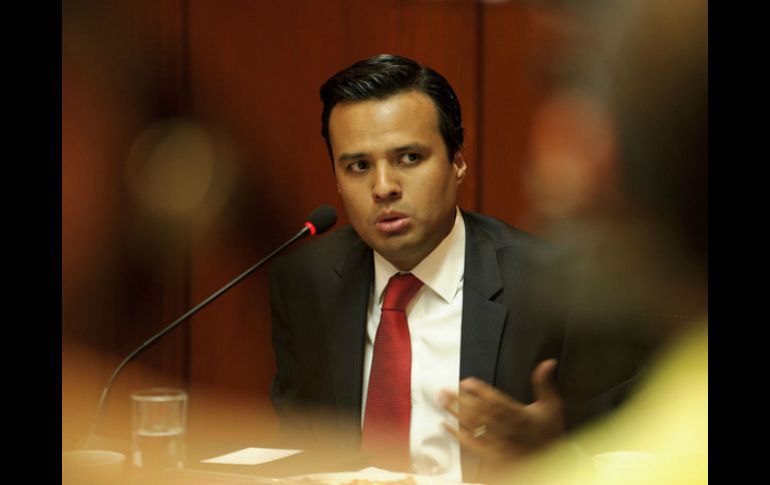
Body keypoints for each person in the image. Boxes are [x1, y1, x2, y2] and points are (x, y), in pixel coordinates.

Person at [268, 54, 645, 482]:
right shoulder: (306, 282)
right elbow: (297, 446)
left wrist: (556, 456)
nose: (383, 187)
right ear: (337, 178)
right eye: (359, 166)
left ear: (458, 161)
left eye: (409, 157)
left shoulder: (559, 288)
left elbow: (636, 455)